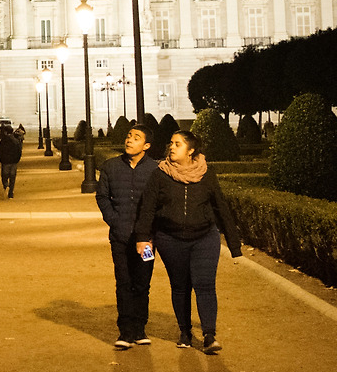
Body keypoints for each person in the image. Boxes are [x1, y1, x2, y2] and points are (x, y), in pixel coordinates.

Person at [134, 130, 243, 355]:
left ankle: (209, 335)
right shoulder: (160, 174)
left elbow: (220, 207)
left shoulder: (206, 173)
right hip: (170, 239)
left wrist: (234, 246)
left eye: (178, 144)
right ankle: (185, 332)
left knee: (205, 284)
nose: (171, 147)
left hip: (204, 238)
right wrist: (142, 238)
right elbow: (148, 208)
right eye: (171, 143)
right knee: (180, 286)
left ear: (191, 150)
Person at [96, 123, 157, 349]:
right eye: (129, 135)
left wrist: (149, 232)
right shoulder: (110, 166)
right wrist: (115, 220)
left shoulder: (156, 170)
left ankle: (140, 329)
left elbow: (160, 202)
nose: (129, 140)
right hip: (119, 237)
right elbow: (102, 197)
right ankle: (125, 331)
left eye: (136, 137)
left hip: (147, 239)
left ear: (146, 145)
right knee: (123, 282)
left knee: (142, 283)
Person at [0, 123, 23, 197]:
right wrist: (17, 160)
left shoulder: (3, 141)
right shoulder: (16, 141)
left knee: (4, 176)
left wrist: (1, 160)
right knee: (12, 177)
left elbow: (0, 151)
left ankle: (6, 185)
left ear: (5, 132)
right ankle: (11, 192)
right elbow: (19, 151)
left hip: (5, 162)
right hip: (14, 162)